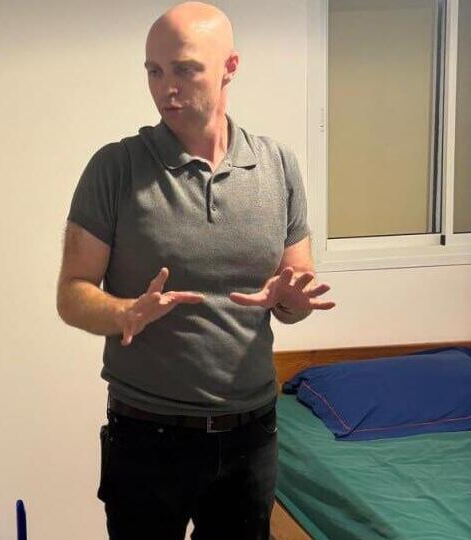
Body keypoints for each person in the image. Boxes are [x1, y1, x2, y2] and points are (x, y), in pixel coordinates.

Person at [56, 3, 335, 539]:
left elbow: (295, 293)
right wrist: (124, 312)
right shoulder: (115, 169)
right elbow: (72, 293)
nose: (167, 88)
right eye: (154, 71)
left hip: (251, 435)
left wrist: (289, 299)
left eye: (185, 69)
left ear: (230, 66)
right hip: (146, 435)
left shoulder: (277, 166)